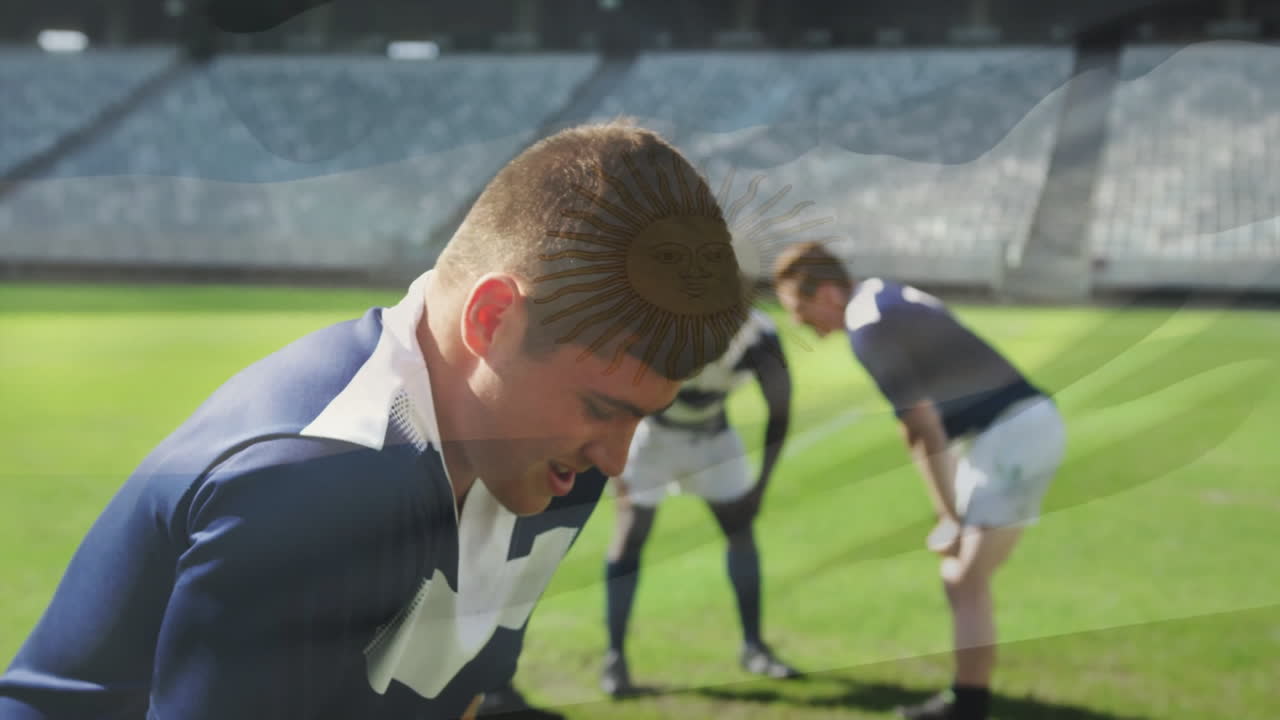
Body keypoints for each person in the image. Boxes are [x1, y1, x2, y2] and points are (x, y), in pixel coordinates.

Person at [0, 121, 751, 720]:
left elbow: (454, 692)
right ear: (493, 320)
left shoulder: (548, 464)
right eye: (602, 409)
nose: (617, 460)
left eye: (641, 419)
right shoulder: (308, 481)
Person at [771, 241, 1066, 720]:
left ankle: (967, 707)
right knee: (960, 576)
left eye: (801, 312)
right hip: (1003, 432)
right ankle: (967, 698)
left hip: (1012, 433)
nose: (804, 325)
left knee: (965, 577)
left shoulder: (867, 326)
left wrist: (948, 516)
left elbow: (920, 427)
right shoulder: (880, 294)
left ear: (826, 294)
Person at [597, 307, 798, 697]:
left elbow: (780, 411)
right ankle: (615, 658)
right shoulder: (661, 325)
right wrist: (616, 468)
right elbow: (614, 387)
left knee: (741, 533)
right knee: (630, 535)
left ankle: (754, 647)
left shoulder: (759, 337)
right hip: (652, 436)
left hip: (713, 437)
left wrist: (761, 486)